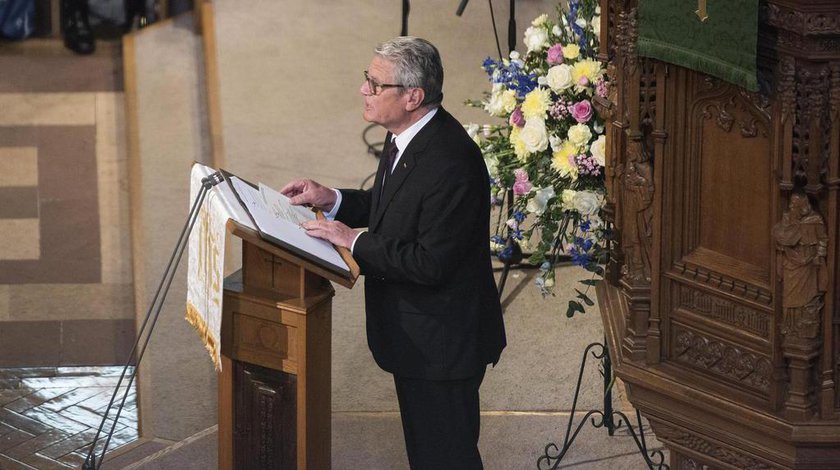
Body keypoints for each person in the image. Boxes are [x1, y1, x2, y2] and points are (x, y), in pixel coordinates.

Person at [281, 36, 506, 469]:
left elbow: (430, 262)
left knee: (446, 458)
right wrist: (332, 199)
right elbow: (393, 206)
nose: (364, 90)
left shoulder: (451, 162)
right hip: (416, 338)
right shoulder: (406, 134)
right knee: (427, 454)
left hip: (442, 344)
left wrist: (352, 240)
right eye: (367, 79)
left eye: (375, 84)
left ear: (412, 96)